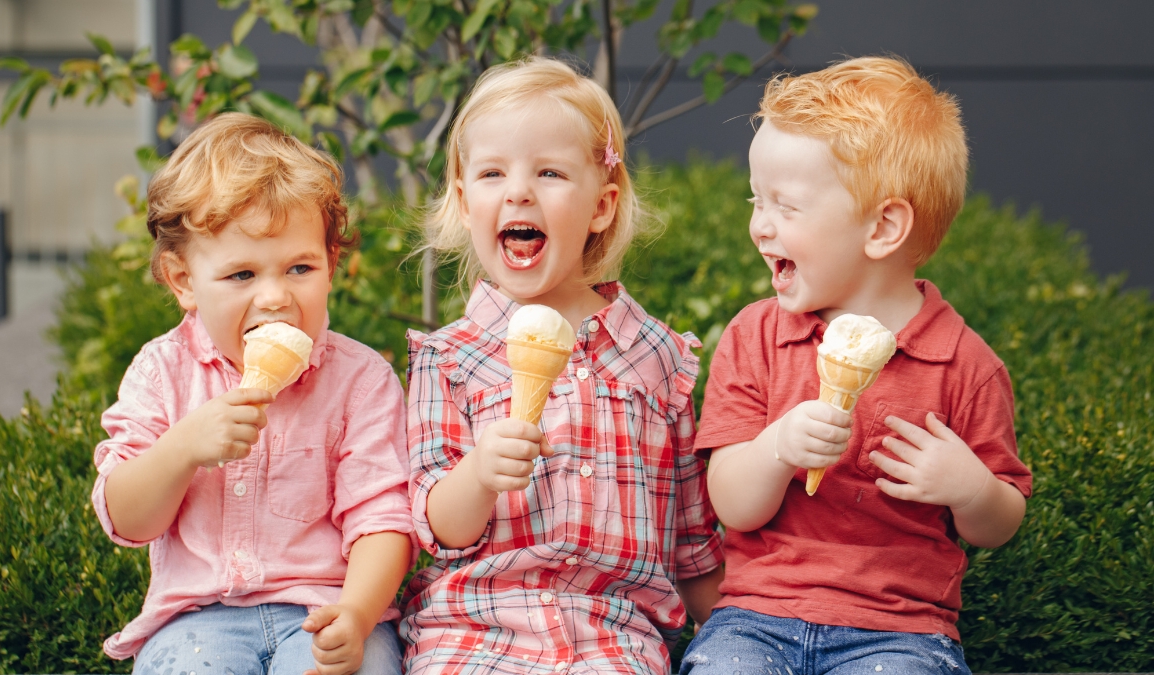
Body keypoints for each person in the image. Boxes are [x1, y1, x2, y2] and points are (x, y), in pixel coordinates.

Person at [679, 56, 1034, 674]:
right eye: (754, 199)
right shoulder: (756, 338)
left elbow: (1000, 519)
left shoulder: (965, 366)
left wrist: (971, 488)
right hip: (757, 619)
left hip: (902, 633)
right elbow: (732, 506)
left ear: (884, 226)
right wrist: (776, 449)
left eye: (785, 207)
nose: (759, 225)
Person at [400, 56, 724, 674]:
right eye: (493, 173)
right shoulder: (449, 358)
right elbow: (439, 527)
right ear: (467, 204)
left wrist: (743, 633)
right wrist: (480, 473)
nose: (518, 191)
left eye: (549, 172)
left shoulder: (656, 358)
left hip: (613, 638)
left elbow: (691, 543)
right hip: (475, 627)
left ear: (601, 207)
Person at [91, 113, 413, 675]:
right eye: (242, 275)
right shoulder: (162, 372)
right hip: (195, 619)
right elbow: (128, 519)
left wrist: (356, 615)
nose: (274, 297)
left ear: (332, 265)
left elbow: (383, 519)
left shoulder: (361, 382)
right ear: (183, 281)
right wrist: (182, 447)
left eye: (299, 268)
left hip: (324, 607)